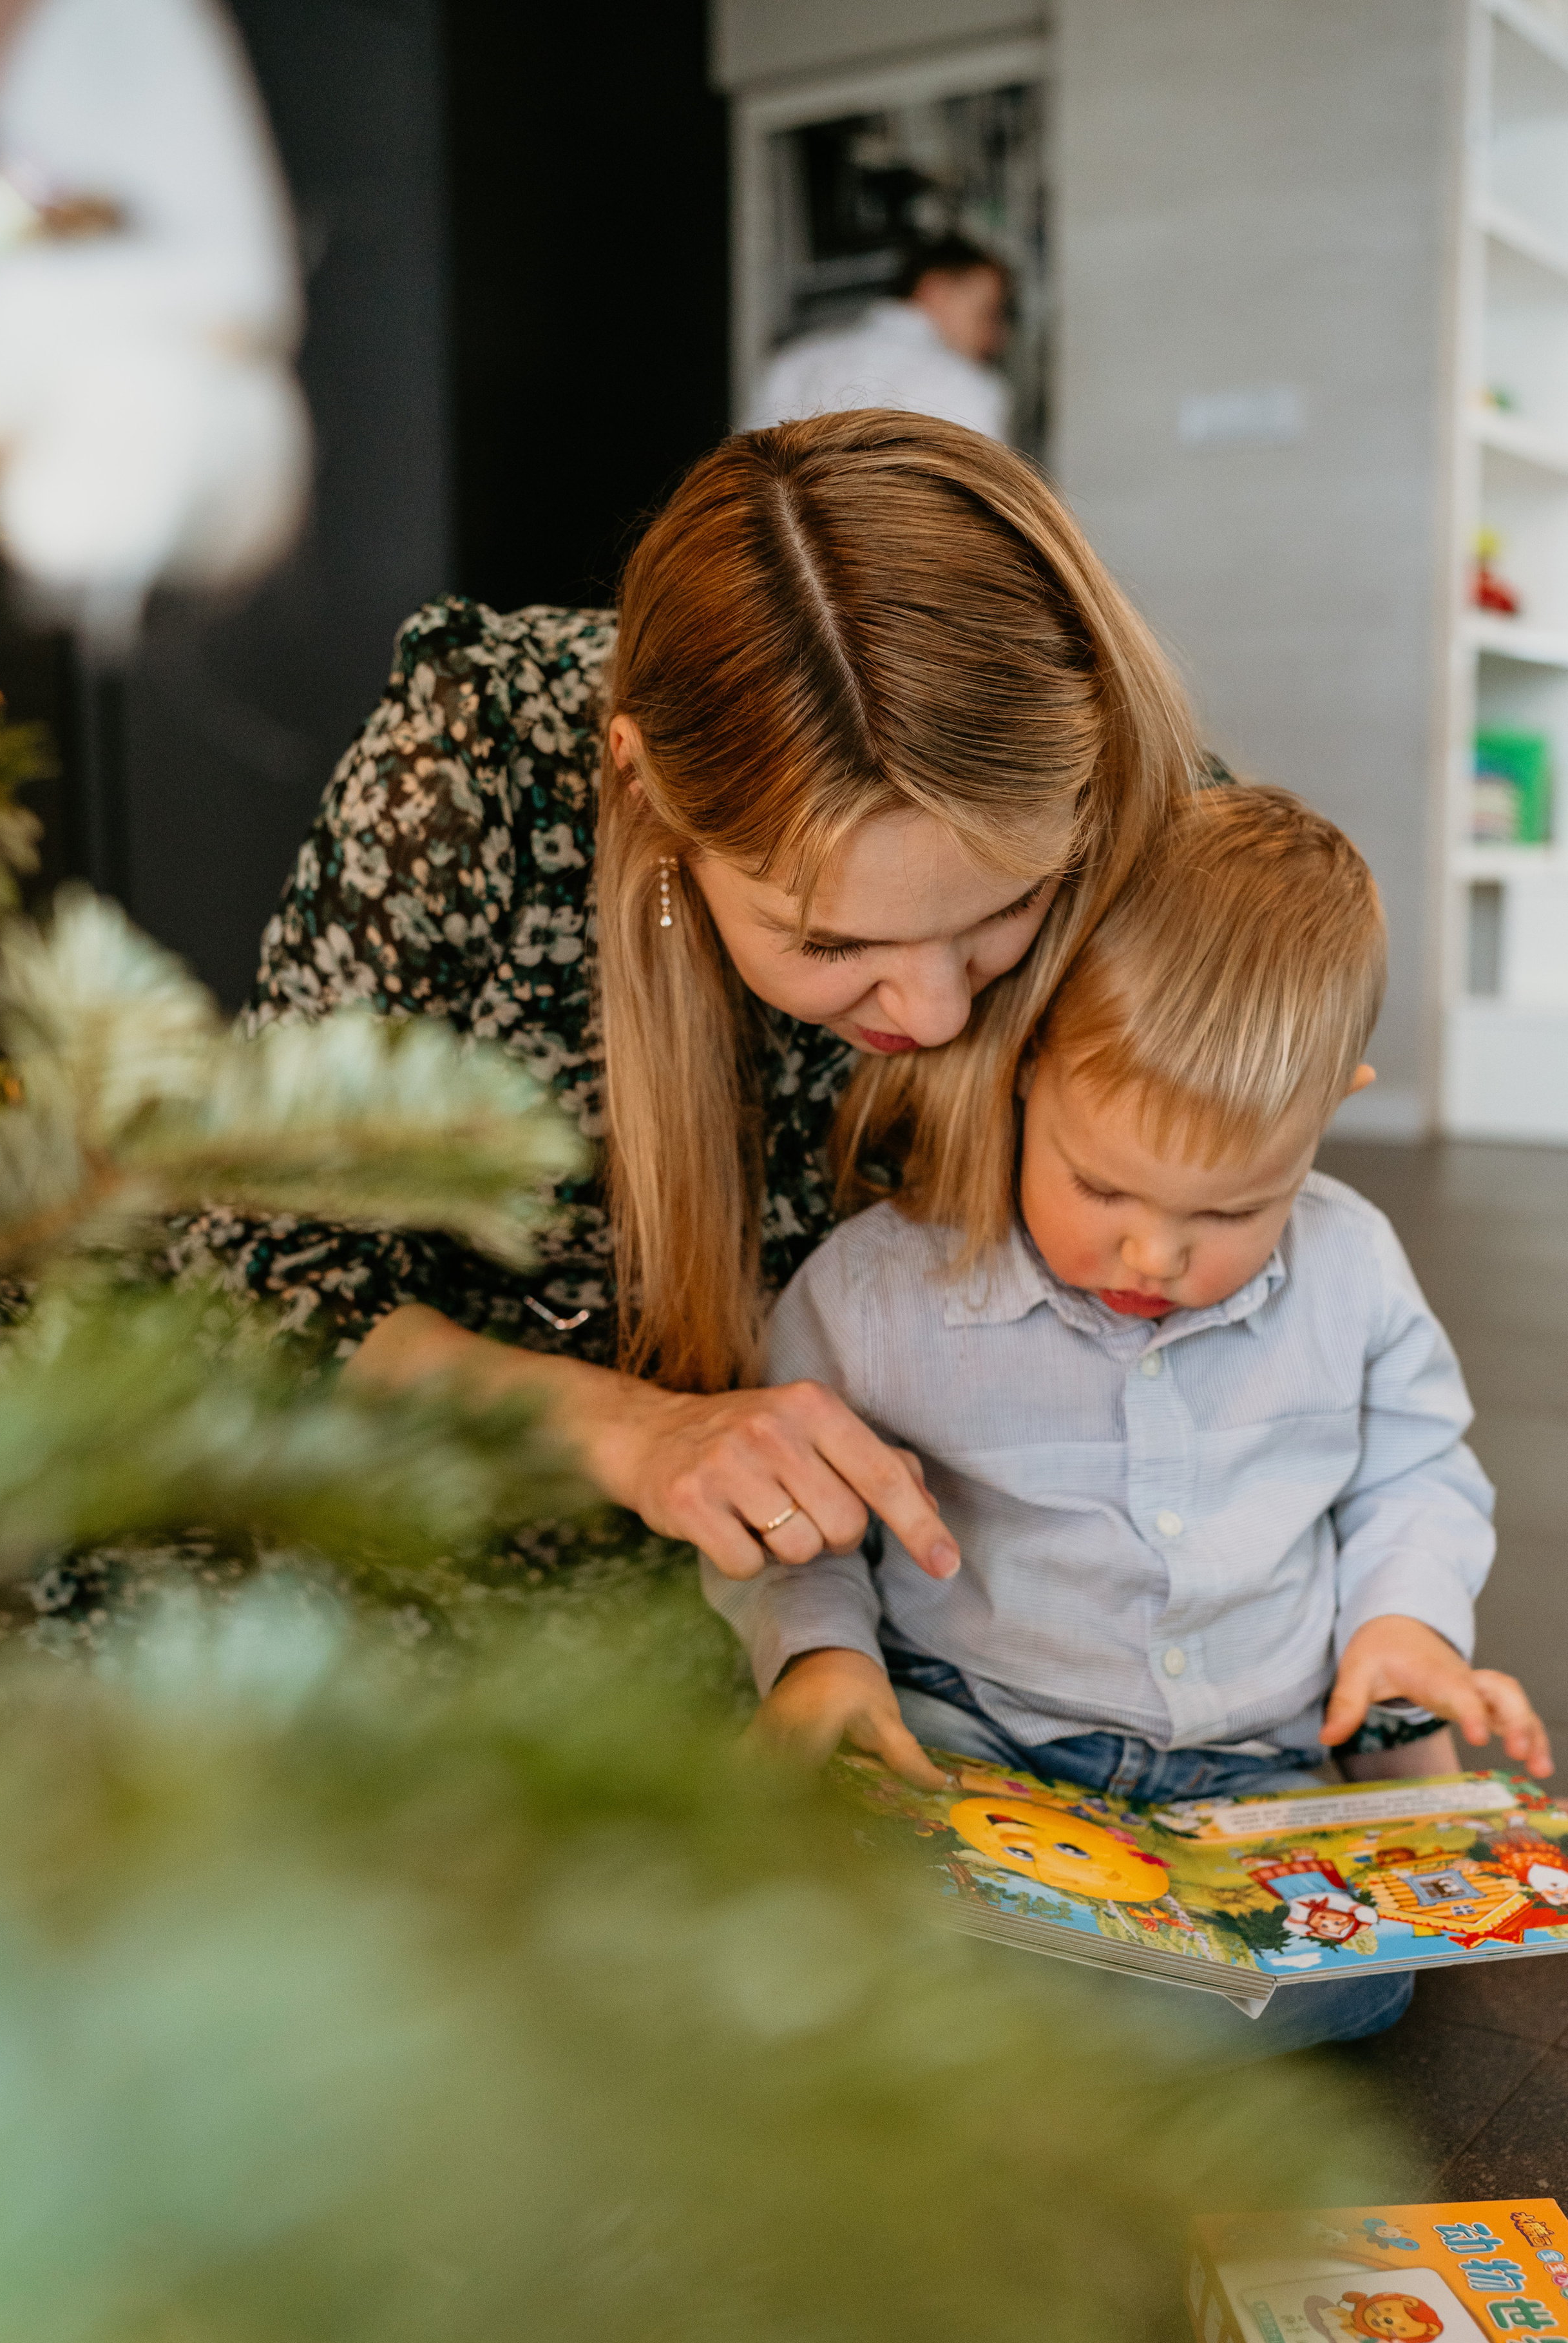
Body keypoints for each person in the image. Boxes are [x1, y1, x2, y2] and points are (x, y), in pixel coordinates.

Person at [180, 410, 1199, 1605]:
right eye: (833, 942)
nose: (932, 1016)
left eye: (1008, 908)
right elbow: (262, 1277)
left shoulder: (1114, 774)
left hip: (938, 1568)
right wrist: (636, 1433)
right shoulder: (475, 774)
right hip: (485, 1516)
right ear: (641, 787)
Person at [709, 786, 1552, 2050]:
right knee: (807, 1883)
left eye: (1231, 1211)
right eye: (1101, 1186)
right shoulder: (876, 1294)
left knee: (1359, 1976)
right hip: (978, 1735)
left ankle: (1059, 2013)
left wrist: (1402, 1626)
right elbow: (801, 1523)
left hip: (1250, 1763)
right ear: (1028, 1062)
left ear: (1328, 1108)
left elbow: (1414, 1475)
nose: (1154, 1254)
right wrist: (823, 1658)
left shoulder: (1354, 1269)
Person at [745, 236, 1013, 443]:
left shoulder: (798, 361)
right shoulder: (967, 386)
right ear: (936, 290)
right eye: (987, 314)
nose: (995, 338)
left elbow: (751, 473)